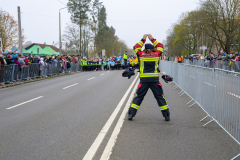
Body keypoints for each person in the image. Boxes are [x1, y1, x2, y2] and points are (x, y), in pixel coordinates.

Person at [128, 34, 170, 121]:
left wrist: (143, 39)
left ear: (145, 49)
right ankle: (166, 115)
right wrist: (152, 39)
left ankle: (131, 114)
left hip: (144, 80)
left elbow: (136, 47)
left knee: (139, 97)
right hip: (154, 80)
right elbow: (160, 46)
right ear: (152, 49)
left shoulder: (141, 55)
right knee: (160, 97)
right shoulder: (157, 54)